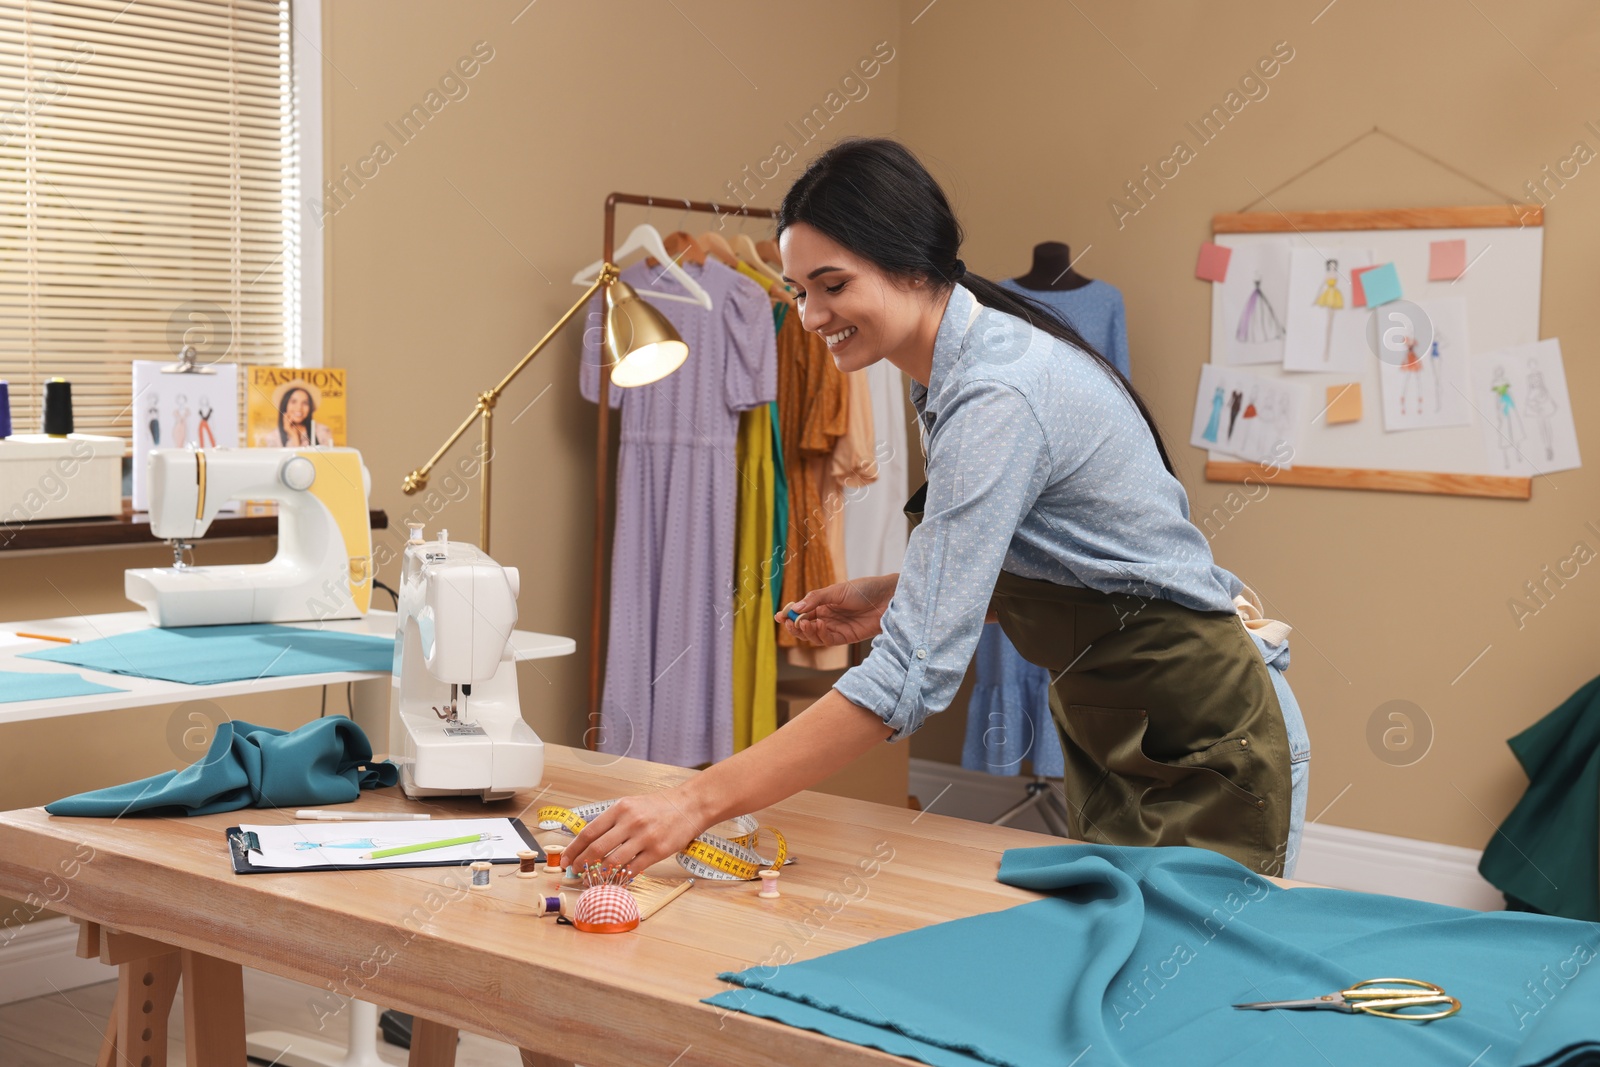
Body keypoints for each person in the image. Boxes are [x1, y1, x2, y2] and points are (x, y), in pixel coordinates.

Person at [567, 137, 1310, 879]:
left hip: (1204, 736)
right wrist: (893, 593)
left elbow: (906, 679)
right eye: (797, 291)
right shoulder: (951, 372)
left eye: (832, 285)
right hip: (1128, 729)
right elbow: (1083, 565)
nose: (810, 315)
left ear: (912, 264)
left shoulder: (996, 393)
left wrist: (692, 803)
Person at [269, 384, 333, 447]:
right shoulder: (273, 437)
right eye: (293, 402)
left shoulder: (322, 432)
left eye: (305, 403)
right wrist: (294, 436)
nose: (299, 407)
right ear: (285, 405)